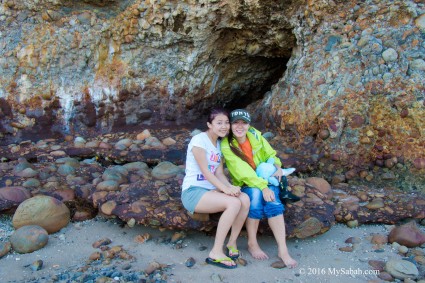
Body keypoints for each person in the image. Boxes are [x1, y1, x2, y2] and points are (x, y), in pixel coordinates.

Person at [221, 109, 298, 268]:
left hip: (265, 175)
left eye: (244, 122)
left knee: (273, 202)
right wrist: (264, 187)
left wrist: (277, 167)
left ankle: (282, 250)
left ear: (249, 124)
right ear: (230, 125)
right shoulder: (227, 144)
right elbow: (242, 171)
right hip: (247, 182)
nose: (240, 126)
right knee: (255, 196)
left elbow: (271, 154)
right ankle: (252, 243)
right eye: (236, 122)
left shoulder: (255, 134)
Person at [181, 108, 250, 269]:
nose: (224, 126)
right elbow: (205, 171)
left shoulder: (218, 144)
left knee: (244, 199)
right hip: (194, 192)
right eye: (219, 123)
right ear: (209, 124)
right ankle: (216, 252)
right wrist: (225, 191)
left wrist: (229, 186)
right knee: (233, 203)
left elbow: (218, 172)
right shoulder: (199, 140)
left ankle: (232, 242)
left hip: (211, 191)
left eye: (226, 122)